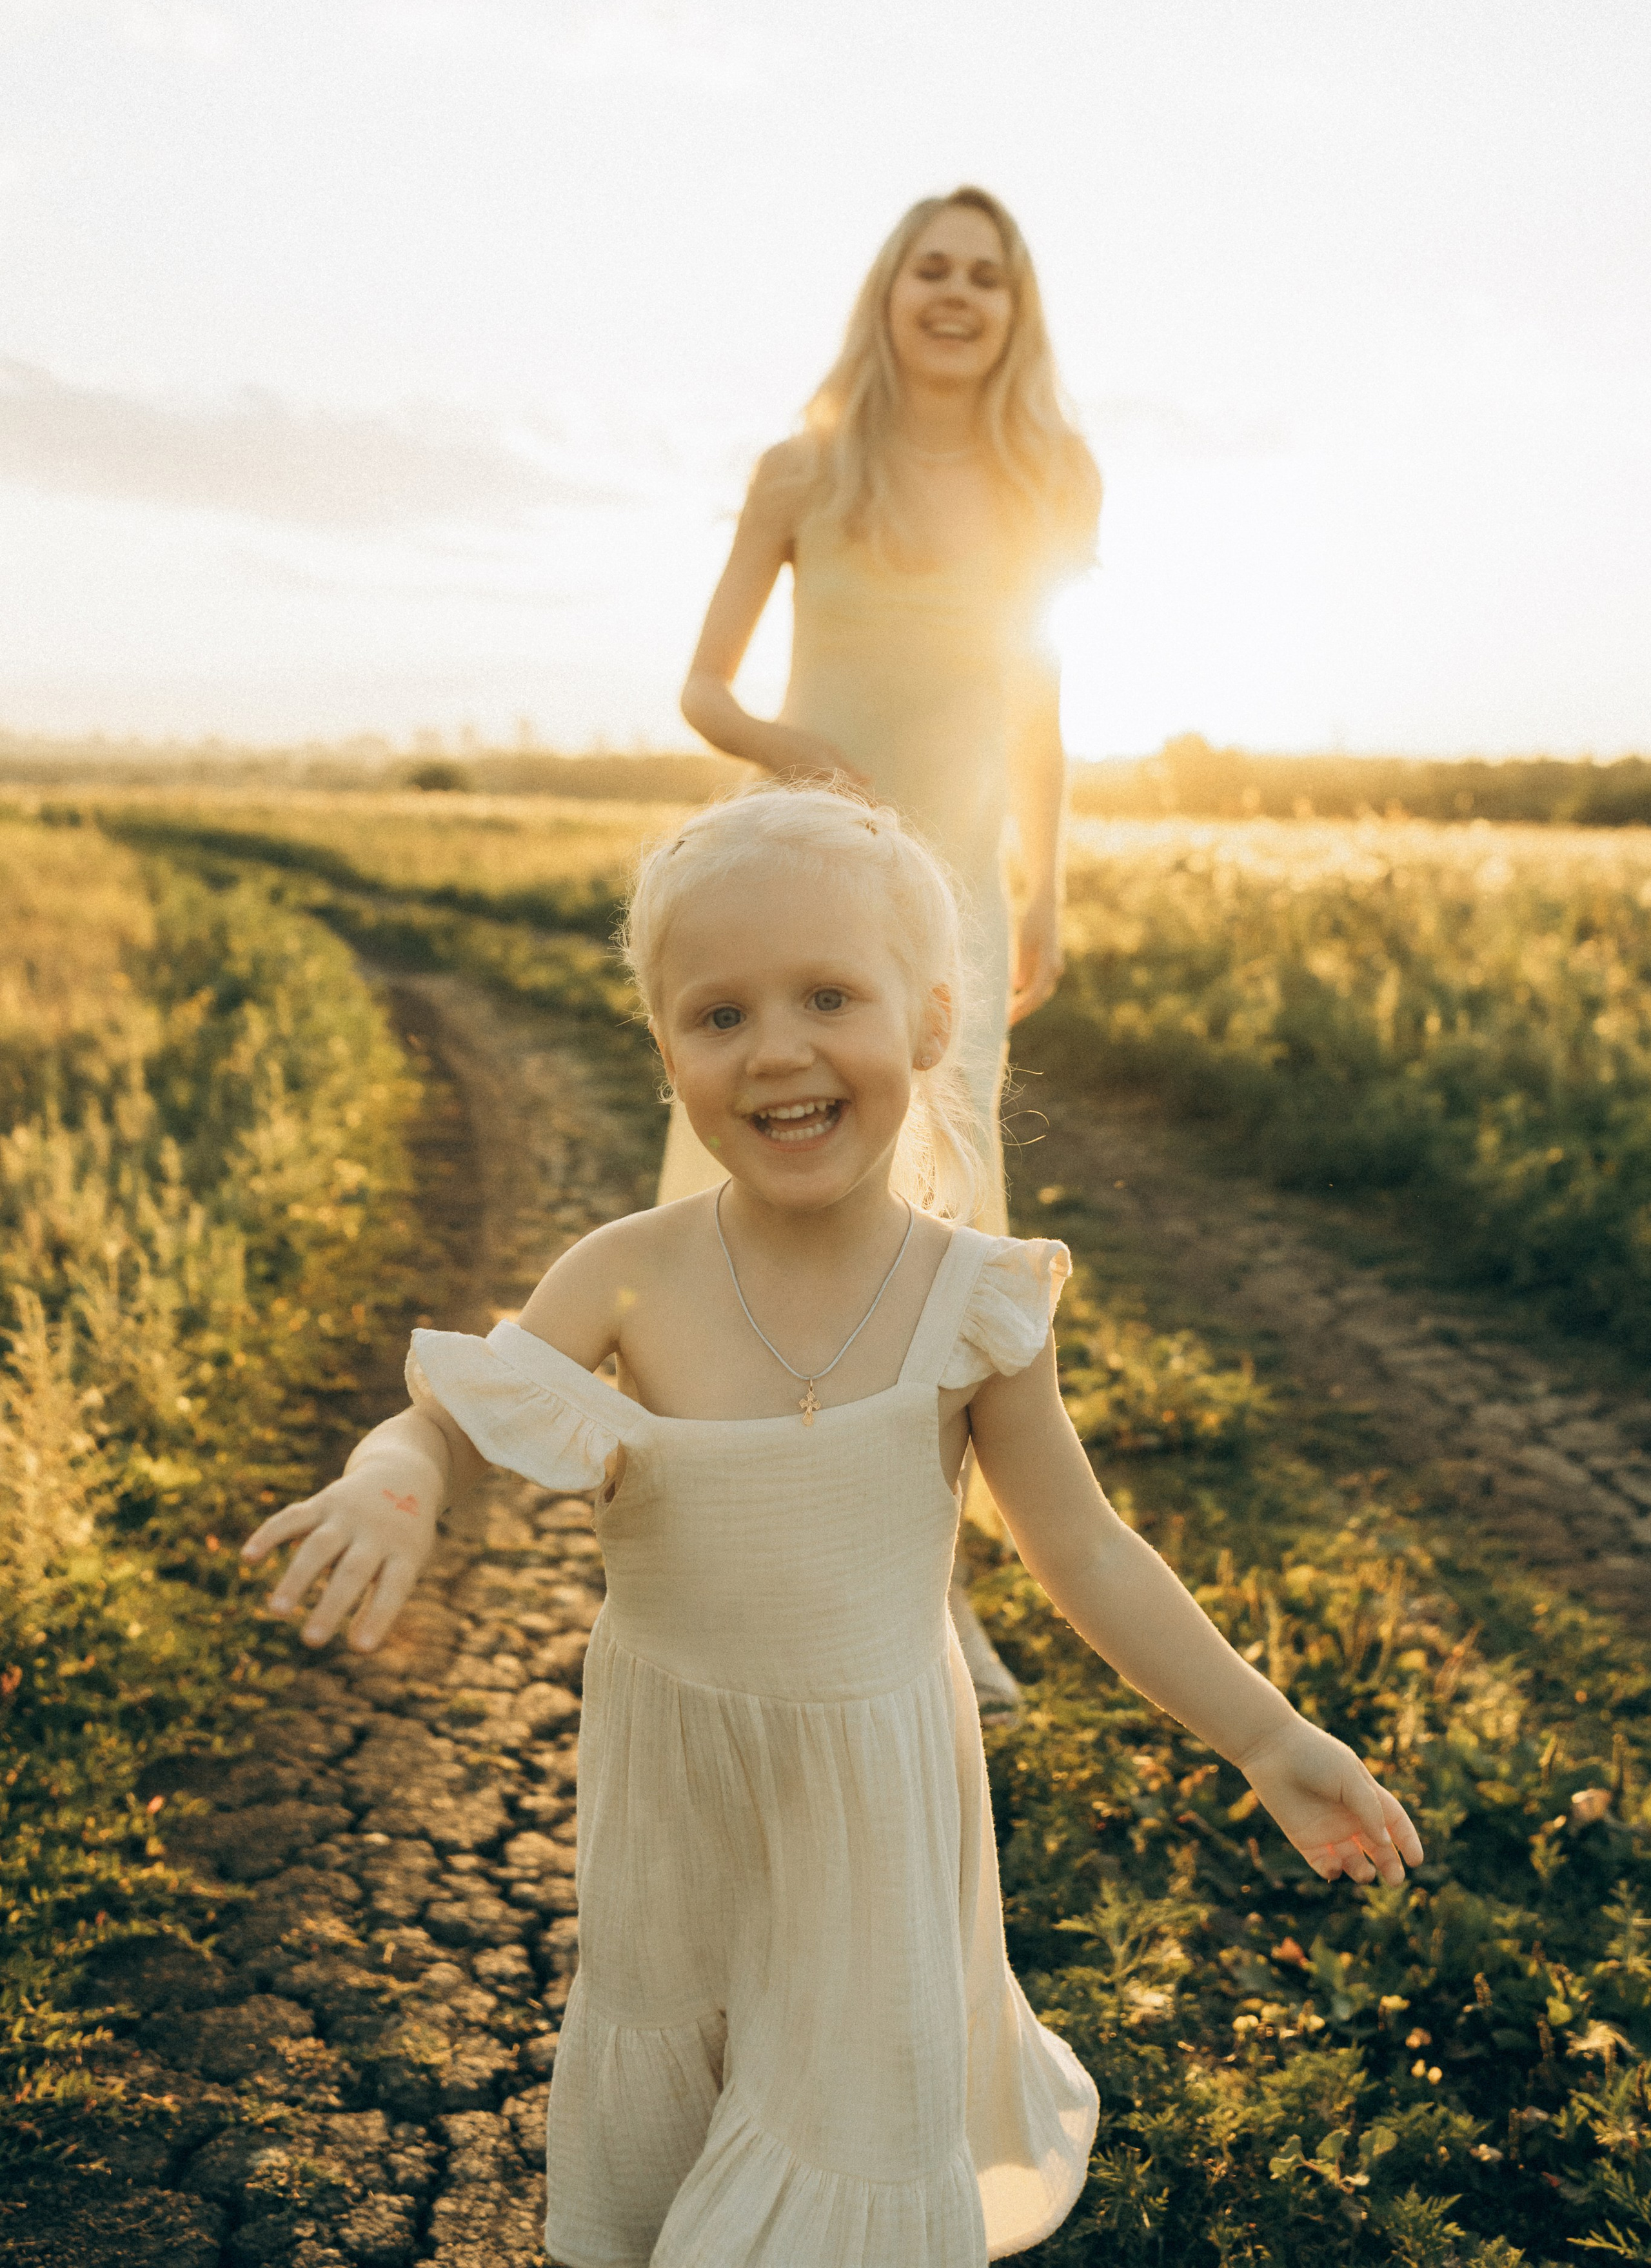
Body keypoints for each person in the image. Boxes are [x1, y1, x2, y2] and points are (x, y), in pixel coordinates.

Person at [243, 784, 1424, 2268]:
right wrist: (392, 1481)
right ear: (665, 1048)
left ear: (931, 1024)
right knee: (681, 2103)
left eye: (826, 996)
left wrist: (1266, 1738)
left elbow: (1085, 1549)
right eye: (717, 1014)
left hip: (870, 1801)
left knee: (838, 2137)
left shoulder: (971, 1299)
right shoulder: (628, 1274)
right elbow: (449, 1415)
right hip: (677, 1804)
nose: (777, 1050)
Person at [671, 184, 1103, 1707]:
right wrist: (811, 767)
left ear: (1014, 312)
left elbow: (1039, 710)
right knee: (779, 1207)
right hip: (799, 885)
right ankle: (740, 1544)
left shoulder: (1051, 481)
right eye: (932, 267)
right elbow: (703, 693)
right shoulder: (801, 471)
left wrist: (1042, 886)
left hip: (953, 911)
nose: (956, 294)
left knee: (938, 1223)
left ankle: (930, 1598)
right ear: (888, 289)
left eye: (987, 277)